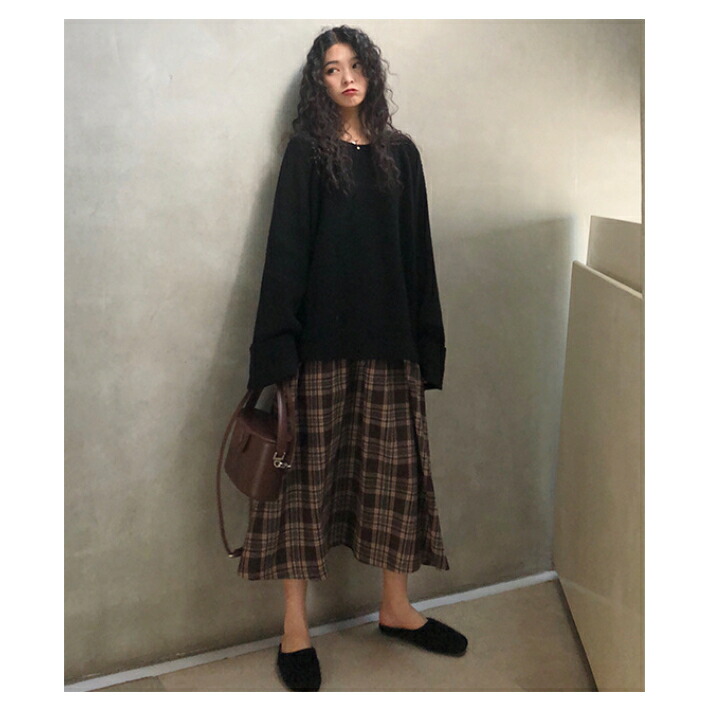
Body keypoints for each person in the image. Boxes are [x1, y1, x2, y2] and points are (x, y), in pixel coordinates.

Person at [240, 25, 467, 691]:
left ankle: (395, 608)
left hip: (390, 344)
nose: (347, 78)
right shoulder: (306, 154)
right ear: (319, 83)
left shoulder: (402, 155)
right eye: (332, 69)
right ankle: (295, 628)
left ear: (372, 72)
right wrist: (278, 354)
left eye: (356, 65)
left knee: (395, 483)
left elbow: (418, 254)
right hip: (319, 350)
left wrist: (426, 344)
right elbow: (285, 254)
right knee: (303, 491)